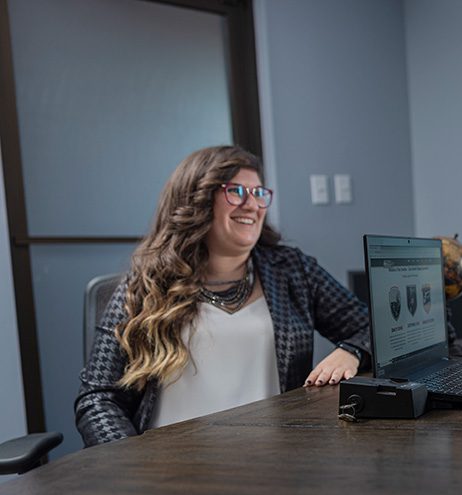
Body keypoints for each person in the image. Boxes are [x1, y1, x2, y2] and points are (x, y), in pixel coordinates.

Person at [76, 145, 370, 447]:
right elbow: (98, 399)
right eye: (236, 191)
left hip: (277, 461)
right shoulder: (145, 284)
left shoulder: (292, 271)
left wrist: (352, 350)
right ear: (196, 201)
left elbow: (369, 328)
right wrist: (129, 463)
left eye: (258, 193)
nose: (252, 204)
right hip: (168, 472)